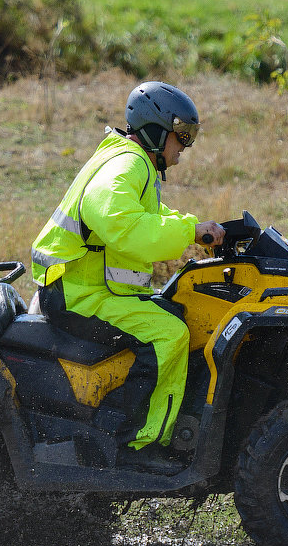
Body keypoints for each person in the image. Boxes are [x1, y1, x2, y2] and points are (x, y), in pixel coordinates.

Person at [31, 81, 225, 460]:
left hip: (90, 291)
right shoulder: (127, 163)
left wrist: (197, 228)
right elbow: (119, 221)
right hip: (78, 295)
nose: (185, 145)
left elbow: (148, 217)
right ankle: (138, 442)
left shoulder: (132, 161)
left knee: (176, 311)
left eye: (191, 136)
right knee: (169, 335)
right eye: (182, 135)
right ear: (156, 130)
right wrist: (189, 231)